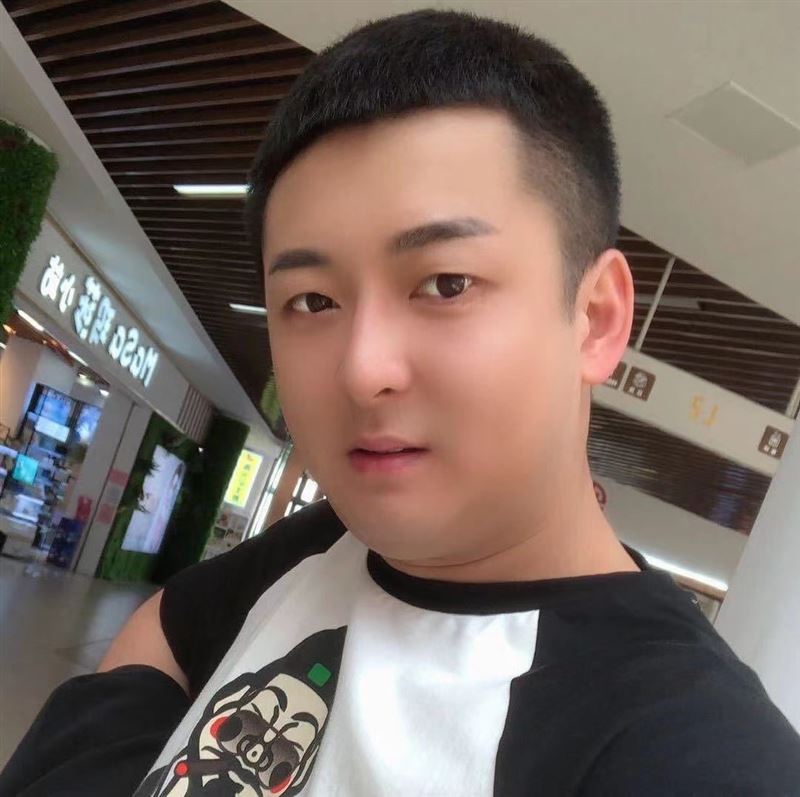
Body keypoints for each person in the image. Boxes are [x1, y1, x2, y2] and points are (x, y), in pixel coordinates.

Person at [2, 9, 799, 796]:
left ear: (594, 319)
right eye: (312, 300)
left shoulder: (689, 745)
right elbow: (166, 624)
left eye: (446, 283)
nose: (362, 369)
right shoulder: (328, 543)